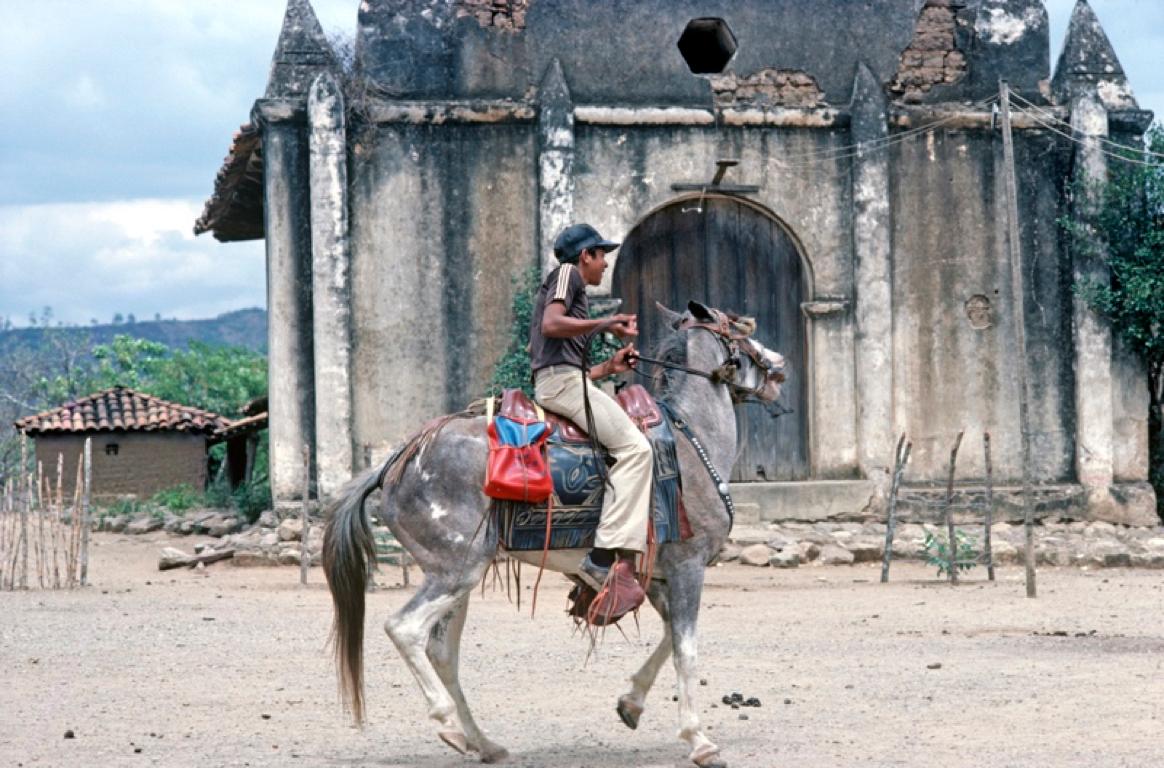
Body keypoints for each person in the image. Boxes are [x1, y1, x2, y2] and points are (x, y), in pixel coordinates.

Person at [530, 223, 652, 611]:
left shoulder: (568, 281)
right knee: (637, 449)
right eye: (602, 257)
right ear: (586, 256)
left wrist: (608, 368)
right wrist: (604, 323)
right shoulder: (568, 275)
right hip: (562, 385)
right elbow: (552, 324)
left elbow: (563, 363)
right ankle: (601, 560)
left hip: (566, 381)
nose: (604, 266)